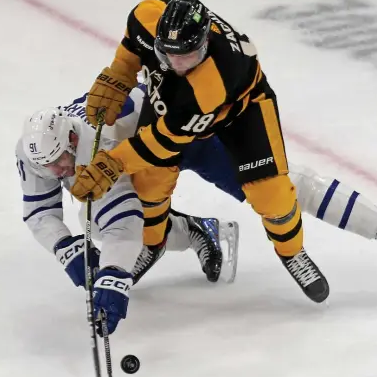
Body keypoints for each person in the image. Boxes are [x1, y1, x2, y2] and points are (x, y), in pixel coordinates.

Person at [70, 0, 377, 305]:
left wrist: (111, 165)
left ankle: (293, 251)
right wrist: (118, 73)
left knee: (272, 194)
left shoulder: (212, 82)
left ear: (206, 45)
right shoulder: (148, 15)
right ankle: (154, 242)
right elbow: (134, 43)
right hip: (175, 113)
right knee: (148, 184)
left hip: (239, 112)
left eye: (188, 56)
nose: (177, 64)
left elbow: (163, 142)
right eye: (169, 54)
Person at [15, 88, 239, 336]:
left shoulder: (99, 147)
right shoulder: (34, 152)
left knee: (258, 183)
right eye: (47, 166)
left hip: (180, 131)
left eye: (59, 161)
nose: (55, 172)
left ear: (73, 140)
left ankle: (160, 239)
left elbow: (123, 221)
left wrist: (113, 274)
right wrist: (64, 245)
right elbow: (39, 209)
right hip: (138, 146)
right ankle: (193, 230)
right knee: (94, 220)